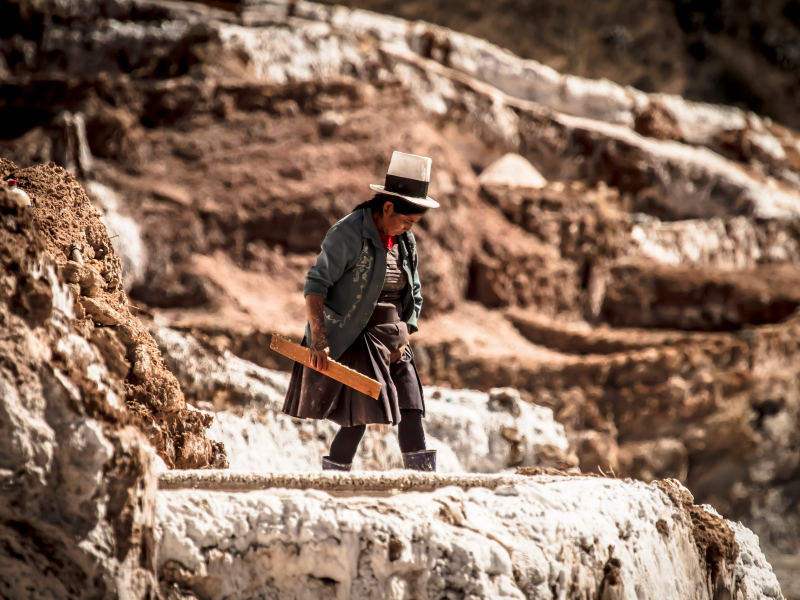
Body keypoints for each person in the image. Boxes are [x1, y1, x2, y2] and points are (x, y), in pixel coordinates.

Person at [282, 151, 439, 471]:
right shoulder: (348, 233)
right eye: (406, 221)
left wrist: (406, 332)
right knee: (358, 416)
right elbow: (316, 286)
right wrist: (319, 339)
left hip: (396, 339)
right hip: (359, 336)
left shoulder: (406, 240)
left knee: (411, 405)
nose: (409, 228)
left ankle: (423, 484)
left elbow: (415, 292)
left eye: (413, 224)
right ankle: (334, 480)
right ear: (388, 207)